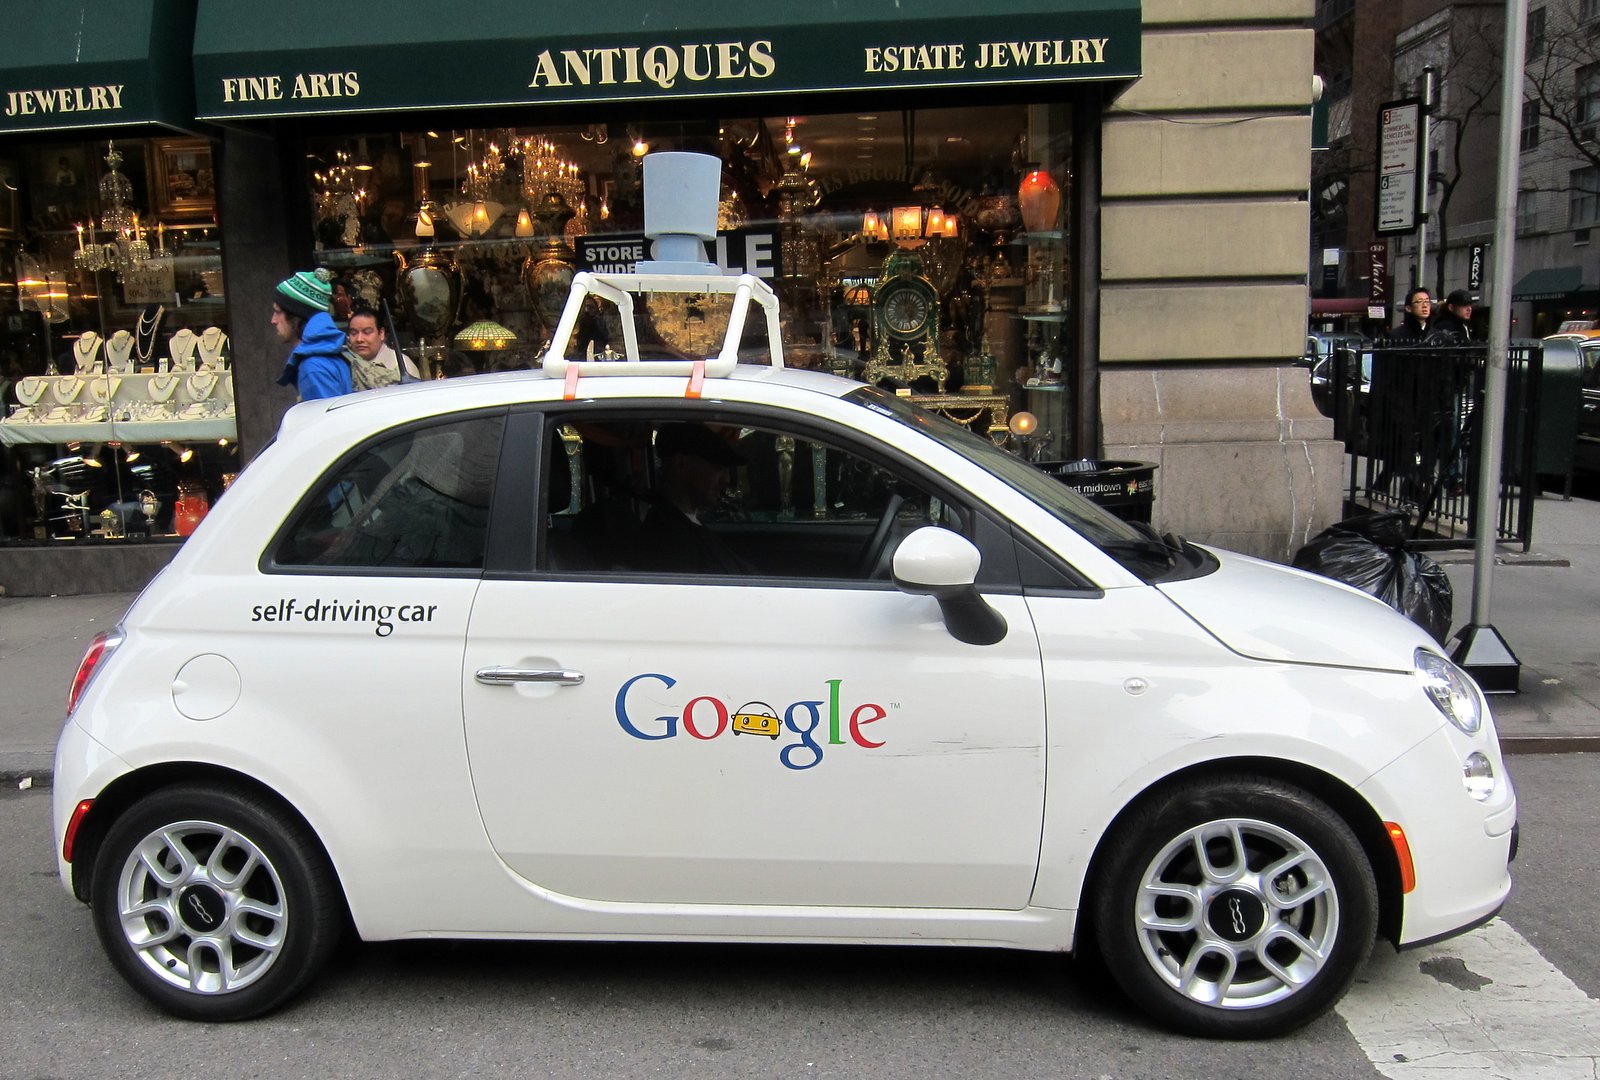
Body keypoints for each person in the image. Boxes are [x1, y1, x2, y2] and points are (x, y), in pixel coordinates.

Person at [633, 423, 754, 574]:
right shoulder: (666, 543)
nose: (726, 479)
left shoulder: (685, 525)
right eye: (717, 466)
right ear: (681, 463)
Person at [272, 269, 352, 400]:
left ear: (296, 315)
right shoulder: (332, 352)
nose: (273, 320)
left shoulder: (313, 368)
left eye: (277, 311)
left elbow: (326, 420)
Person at [345, 305, 420, 390]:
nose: (359, 339)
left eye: (367, 332)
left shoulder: (402, 365)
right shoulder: (344, 364)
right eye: (354, 333)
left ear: (381, 334)